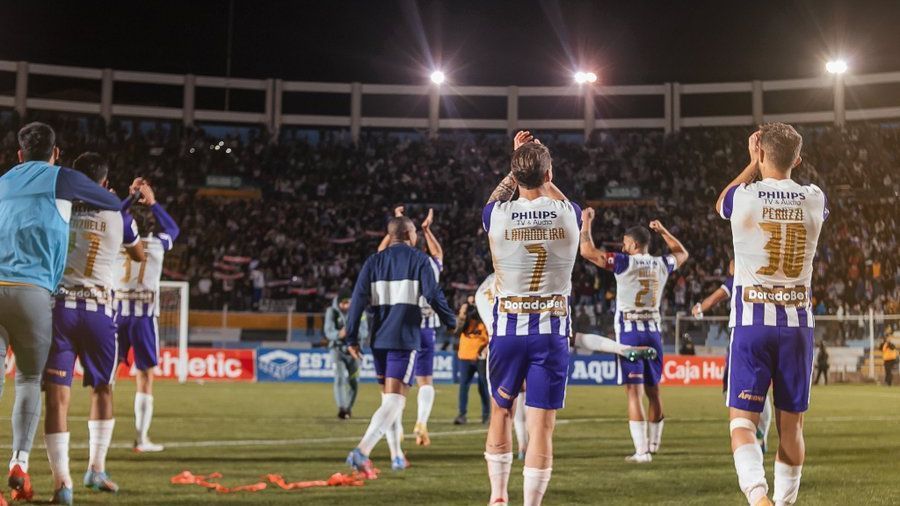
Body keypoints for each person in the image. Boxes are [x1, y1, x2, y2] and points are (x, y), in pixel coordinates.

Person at [0, 122, 121, 503]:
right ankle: (19, 461)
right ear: (55, 154)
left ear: (19, 155)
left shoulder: (3, 181)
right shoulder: (61, 178)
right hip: (33, 292)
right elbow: (111, 203)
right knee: (28, 379)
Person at [716, 123, 828, 506]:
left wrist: (751, 163)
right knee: (792, 428)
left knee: (742, 423)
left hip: (752, 321)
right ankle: (783, 503)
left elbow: (721, 202)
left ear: (760, 152)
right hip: (797, 323)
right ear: (797, 159)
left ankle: (759, 498)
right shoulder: (815, 197)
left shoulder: (743, 198)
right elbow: (813, 202)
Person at [482, 131, 581, 506]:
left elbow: (494, 199)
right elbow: (565, 201)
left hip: (507, 328)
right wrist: (544, 177)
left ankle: (497, 496)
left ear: (513, 174)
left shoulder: (497, 215)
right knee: (541, 427)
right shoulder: (568, 214)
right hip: (551, 331)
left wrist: (517, 159)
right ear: (549, 173)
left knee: (501, 412)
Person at [42, 153, 146, 504]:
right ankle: (96, 469)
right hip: (100, 311)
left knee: (57, 396)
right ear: (104, 182)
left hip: (60, 309)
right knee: (102, 388)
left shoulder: (60, 207)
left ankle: (62, 484)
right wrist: (125, 202)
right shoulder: (120, 214)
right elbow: (139, 255)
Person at [344, 216, 456, 476]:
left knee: (389, 399)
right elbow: (433, 294)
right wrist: (450, 320)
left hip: (379, 339)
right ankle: (362, 450)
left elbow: (357, 301)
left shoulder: (373, 261)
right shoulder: (419, 260)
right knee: (396, 400)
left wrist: (351, 338)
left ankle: (396, 456)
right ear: (410, 234)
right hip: (403, 338)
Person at [580, 215, 689, 463]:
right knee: (654, 391)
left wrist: (586, 222)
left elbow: (587, 251)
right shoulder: (662, 264)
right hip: (653, 331)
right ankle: (654, 443)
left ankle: (642, 452)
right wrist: (663, 230)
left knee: (633, 392)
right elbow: (682, 253)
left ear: (635, 246)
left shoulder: (623, 263)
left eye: (626, 243)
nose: (623, 247)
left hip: (630, 331)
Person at [114, 181, 180, 453]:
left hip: (117, 312)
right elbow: (174, 229)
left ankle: (100, 435)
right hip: (144, 317)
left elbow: (117, 216)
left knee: (107, 377)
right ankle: (141, 440)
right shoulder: (158, 244)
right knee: (145, 377)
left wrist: (130, 199)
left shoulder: (117, 240)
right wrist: (152, 202)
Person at [693, 263, 773, 453]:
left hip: (745, 338)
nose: (730, 266)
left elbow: (714, 298)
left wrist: (698, 308)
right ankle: (762, 434)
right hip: (771, 334)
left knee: (733, 389)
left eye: (732, 263)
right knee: (763, 391)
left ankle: (751, 436)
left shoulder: (736, 280)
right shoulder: (767, 277)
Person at [324, 289, 367, 419]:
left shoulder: (360, 312)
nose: (345, 306)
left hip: (354, 350)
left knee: (354, 381)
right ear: (338, 303)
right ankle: (342, 409)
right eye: (343, 303)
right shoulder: (331, 312)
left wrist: (351, 332)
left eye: (348, 303)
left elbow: (364, 332)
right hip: (337, 350)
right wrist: (338, 334)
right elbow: (328, 331)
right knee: (340, 377)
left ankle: (348, 408)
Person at [454, 296, 490, 426]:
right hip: (465, 356)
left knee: (483, 386)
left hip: (481, 356)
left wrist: (486, 348)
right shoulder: (465, 320)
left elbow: (492, 334)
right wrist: (463, 313)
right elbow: (457, 330)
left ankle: (486, 415)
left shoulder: (486, 317)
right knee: (463, 386)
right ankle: (461, 415)